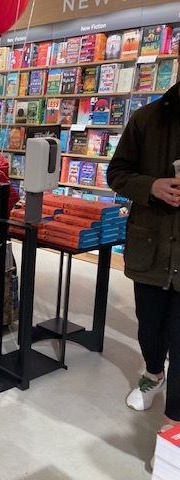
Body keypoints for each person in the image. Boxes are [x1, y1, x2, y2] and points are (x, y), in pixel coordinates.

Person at [106, 81, 180, 441]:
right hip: (150, 246)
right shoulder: (146, 119)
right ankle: (153, 374)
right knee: (150, 327)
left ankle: (175, 421)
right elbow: (116, 174)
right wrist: (150, 187)